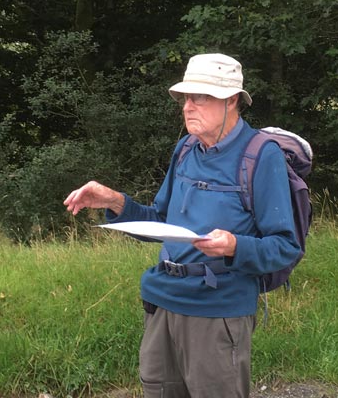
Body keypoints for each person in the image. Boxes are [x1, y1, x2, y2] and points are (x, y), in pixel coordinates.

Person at [64, 53, 300, 398]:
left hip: (218, 312)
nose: (188, 106)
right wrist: (116, 202)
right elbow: (161, 222)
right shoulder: (186, 149)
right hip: (164, 301)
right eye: (185, 98)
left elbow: (285, 247)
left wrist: (235, 246)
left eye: (200, 97)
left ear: (232, 100)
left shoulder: (262, 156)